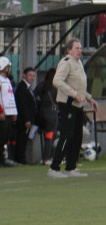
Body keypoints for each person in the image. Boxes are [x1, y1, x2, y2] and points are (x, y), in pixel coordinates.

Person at [49, 39, 97, 178]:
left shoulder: (78, 63)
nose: (79, 50)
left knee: (77, 136)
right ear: (69, 50)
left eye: (80, 48)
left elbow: (80, 86)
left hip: (78, 105)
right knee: (67, 135)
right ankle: (54, 167)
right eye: (76, 48)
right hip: (68, 104)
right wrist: (74, 94)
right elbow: (57, 81)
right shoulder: (66, 62)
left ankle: (71, 167)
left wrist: (89, 98)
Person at [0, 56, 17, 168]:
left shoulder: (6, 79)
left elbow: (10, 97)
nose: (9, 69)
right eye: (7, 67)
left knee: (4, 138)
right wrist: (0, 111)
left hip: (8, 113)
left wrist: (13, 111)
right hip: (2, 114)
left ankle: (2, 159)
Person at [14, 66, 37, 165]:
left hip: (28, 118)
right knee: (21, 139)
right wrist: (27, 119)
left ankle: (22, 157)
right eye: (30, 75)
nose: (32, 78)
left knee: (24, 139)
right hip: (23, 119)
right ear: (24, 76)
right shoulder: (22, 88)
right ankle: (20, 158)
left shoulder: (28, 88)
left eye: (33, 76)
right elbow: (22, 105)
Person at [34, 69, 58, 166]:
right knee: (50, 137)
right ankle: (47, 158)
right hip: (52, 114)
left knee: (46, 136)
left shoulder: (41, 85)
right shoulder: (56, 87)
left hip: (41, 114)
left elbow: (34, 96)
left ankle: (47, 157)